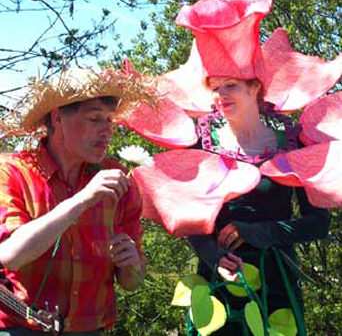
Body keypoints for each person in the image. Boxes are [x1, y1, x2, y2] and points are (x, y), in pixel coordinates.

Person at [0, 68, 151, 335]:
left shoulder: (119, 181)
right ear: (57, 118)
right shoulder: (12, 171)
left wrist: (132, 265)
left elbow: (131, 283)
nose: (107, 130)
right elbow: (10, 255)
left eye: (109, 120)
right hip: (20, 328)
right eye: (94, 119)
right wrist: (82, 200)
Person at [186, 76, 330, 336]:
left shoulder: (294, 142)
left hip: (276, 281)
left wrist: (258, 232)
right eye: (215, 88)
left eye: (230, 85)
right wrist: (213, 256)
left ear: (254, 88)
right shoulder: (201, 143)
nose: (221, 95)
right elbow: (185, 214)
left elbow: (318, 224)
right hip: (219, 279)